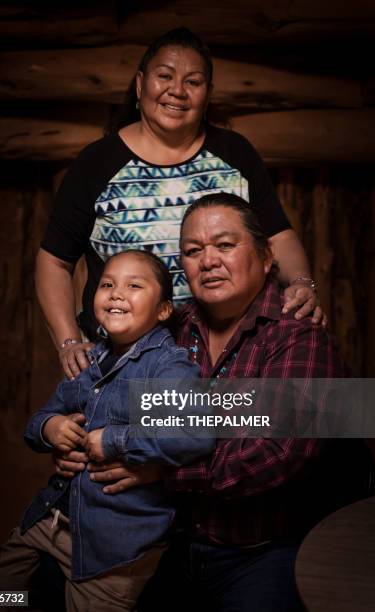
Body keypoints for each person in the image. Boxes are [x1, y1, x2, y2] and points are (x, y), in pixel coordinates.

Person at [55, 193, 346, 611]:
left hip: (261, 548)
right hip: (163, 538)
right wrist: (70, 440)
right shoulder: (166, 327)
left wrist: (161, 471)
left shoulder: (297, 335)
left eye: (225, 245)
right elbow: (112, 404)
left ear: (266, 258)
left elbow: (274, 452)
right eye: (193, 251)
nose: (208, 260)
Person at [35, 27, 323, 381]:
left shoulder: (235, 153)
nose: (177, 91)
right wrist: (69, 343)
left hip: (230, 355)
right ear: (140, 85)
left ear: (208, 95)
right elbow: (54, 262)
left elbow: (277, 235)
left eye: (194, 81)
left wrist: (302, 284)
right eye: (165, 76)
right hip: (129, 362)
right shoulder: (97, 163)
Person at [0, 250, 214, 612]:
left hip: (113, 546)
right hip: (50, 518)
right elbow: (35, 424)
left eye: (133, 285)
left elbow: (193, 432)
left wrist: (113, 440)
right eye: (107, 284)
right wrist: (51, 427)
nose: (115, 293)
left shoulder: (166, 368)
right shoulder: (89, 359)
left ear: (163, 311)